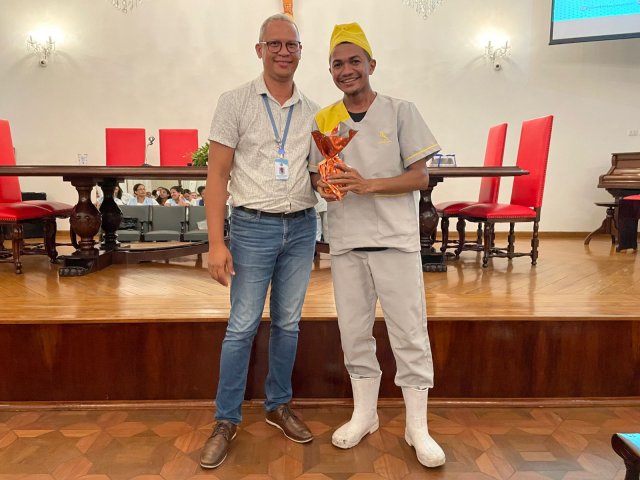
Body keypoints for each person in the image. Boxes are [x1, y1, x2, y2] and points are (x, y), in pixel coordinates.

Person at [309, 23, 446, 468]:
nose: (346, 70)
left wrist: (368, 185)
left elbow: (420, 177)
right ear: (330, 70)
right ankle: (364, 414)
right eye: (337, 63)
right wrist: (325, 186)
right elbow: (316, 175)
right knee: (353, 333)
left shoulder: (401, 111)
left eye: (354, 61)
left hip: (394, 241)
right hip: (347, 242)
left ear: (371, 64)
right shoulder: (324, 119)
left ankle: (416, 427)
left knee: (409, 333)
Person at [199, 13, 318, 470]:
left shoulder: (314, 111)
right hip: (252, 227)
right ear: (260, 50)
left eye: (291, 45)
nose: (284, 52)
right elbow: (217, 176)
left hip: (302, 226)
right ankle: (225, 419)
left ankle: (278, 404)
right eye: (275, 44)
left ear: (300, 52)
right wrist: (216, 243)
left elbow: (315, 173)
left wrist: (332, 184)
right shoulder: (234, 102)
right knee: (242, 326)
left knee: (288, 323)